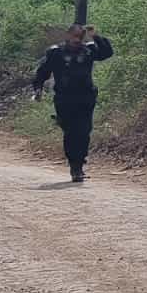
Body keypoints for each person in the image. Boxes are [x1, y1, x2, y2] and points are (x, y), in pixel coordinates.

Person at [33, 24, 114, 183]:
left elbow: (107, 53)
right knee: (70, 133)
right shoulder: (56, 52)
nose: (77, 40)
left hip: (85, 98)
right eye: (74, 36)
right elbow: (43, 72)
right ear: (68, 35)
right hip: (64, 99)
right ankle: (73, 164)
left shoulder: (89, 50)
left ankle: (78, 167)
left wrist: (96, 36)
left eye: (80, 37)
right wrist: (38, 88)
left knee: (84, 132)